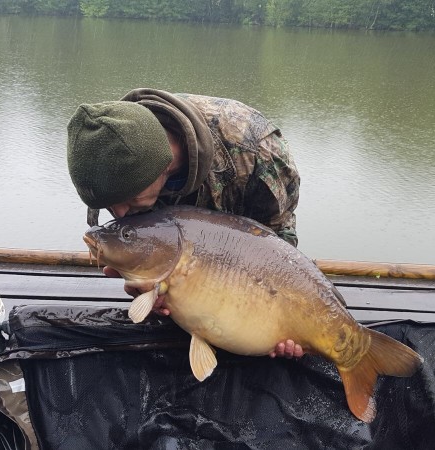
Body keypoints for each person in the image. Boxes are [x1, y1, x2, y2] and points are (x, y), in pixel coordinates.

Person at [67, 88, 303, 359]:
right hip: (183, 271)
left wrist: (275, 321)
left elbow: (278, 243)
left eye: (130, 199)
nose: (119, 213)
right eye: (109, 204)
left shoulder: (257, 151)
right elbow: (125, 236)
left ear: (163, 167)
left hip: (246, 272)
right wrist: (141, 282)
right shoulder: (107, 154)